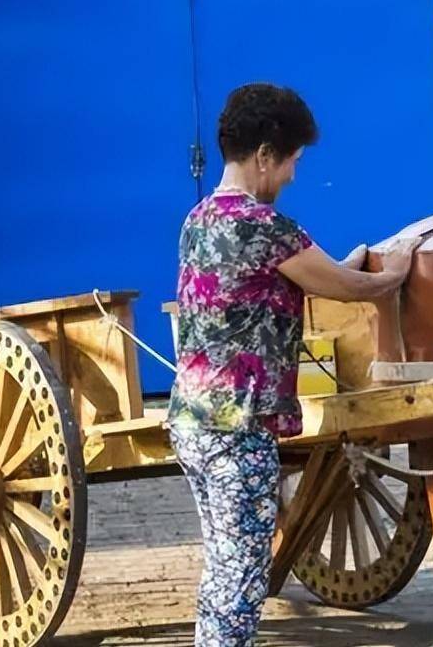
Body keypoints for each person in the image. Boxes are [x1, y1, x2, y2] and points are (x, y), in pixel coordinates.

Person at [166, 83, 417, 646]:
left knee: (223, 568)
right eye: (292, 161)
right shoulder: (266, 226)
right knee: (242, 580)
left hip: (192, 422)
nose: (293, 176)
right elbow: (345, 285)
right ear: (264, 155)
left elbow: (312, 274)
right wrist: (392, 277)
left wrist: (350, 269)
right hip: (238, 433)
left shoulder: (199, 219)